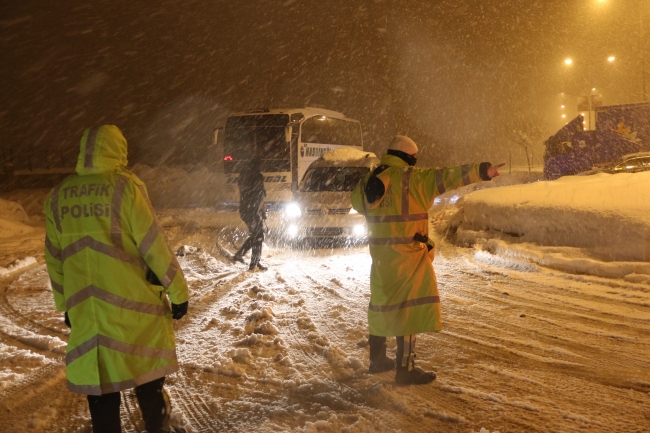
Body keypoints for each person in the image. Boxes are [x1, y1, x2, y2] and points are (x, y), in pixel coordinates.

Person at [44, 125, 190, 432]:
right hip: (133, 308)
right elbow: (154, 246)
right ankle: (156, 426)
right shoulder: (124, 189)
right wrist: (178, 292)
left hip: (87, 312)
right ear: (118, 151)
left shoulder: (58, 196)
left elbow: (55, 258)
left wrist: (66, 305)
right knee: (147, 379)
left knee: (100, 387)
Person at [351, 135, 500, 385]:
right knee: (409, 310)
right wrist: (482, 170)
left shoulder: (370, 179)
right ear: (409, 157)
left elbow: (357, 202)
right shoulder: (412, 179)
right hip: (409, 255)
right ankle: (405, 369)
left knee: (380, 304)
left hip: (381, 256)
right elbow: (449, 176)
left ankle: (377, 360)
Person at [232, 158, 268, 271]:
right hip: (251, 211)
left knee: (256, 235)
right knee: (258, 236)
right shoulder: (253, 177)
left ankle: (242, 256)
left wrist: (262, 209)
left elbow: (258, 196)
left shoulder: (249, 176)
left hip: (250, 211)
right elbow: (256, 196)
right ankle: (254, 263)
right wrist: (258, 209)